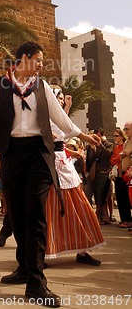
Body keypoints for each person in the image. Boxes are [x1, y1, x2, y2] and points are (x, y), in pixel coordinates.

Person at [0, 41, 100, 308]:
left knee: (36, 214)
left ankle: (37, 283)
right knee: (18, 215)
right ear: (25, 58)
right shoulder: (0, 85)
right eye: (39, 59)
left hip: (39, 154)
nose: (42, 64)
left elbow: (60, 120)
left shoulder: (42, 87)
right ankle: (23, 267)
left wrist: (83, 135)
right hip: (11, 153)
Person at [45, 88, 104, 266]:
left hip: (64, 165)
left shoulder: (59, 117)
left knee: (79, 206)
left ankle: (83, 248)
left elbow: (66, 127)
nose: (61, 101)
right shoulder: (42, 117)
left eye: (63, 98)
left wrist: (87, 138)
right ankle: (44, 252)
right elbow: (61, 128)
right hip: (49, 164)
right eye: (58, 98)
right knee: (50, 209)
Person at [110, 128, 132, 228]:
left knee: (126, 198)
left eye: (116, 136)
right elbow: (112, 161)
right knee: (120, 197)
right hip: (118, 174)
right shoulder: (116, 148)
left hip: (126, 173)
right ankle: (124, 219)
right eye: (114, 136)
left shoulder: (126, 145)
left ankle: (128, 220)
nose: (115, 138)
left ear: (121, 136)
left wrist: (120, 157)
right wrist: (118, 158)